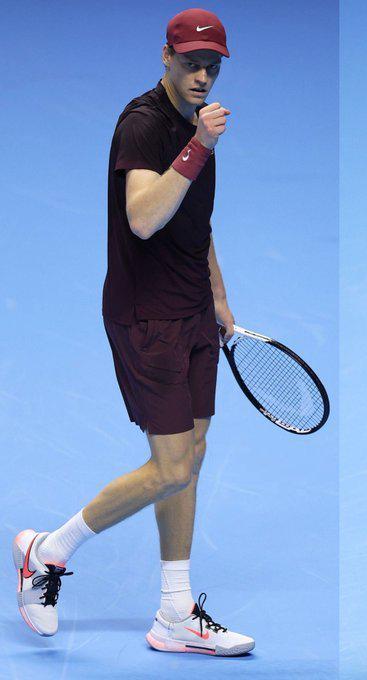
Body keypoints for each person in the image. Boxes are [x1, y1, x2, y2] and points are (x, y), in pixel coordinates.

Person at [13, 8, 255, 657]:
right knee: (171, 465)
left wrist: (219, 296)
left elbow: (194, 221)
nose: (203, 76)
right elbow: (144, 217)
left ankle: (174, 612)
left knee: (191, 456)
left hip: (193, 310)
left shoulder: (193, 123)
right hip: (147, 318)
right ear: (166, 57)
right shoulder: (145, 125)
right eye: (192, 63)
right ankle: (47, 550)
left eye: (212, 66)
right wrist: (199, 146)